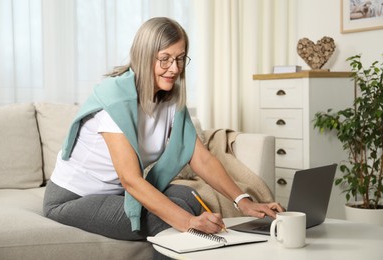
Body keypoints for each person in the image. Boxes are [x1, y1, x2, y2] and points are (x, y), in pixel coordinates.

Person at [43, 17, 283, 246]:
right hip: (72, 198)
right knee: (167, 218)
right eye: (164, 59)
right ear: (144, 57)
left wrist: (244, 202)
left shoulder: (170, 101)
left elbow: (200, 158)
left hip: (114, 194)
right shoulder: (115, 100)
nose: (174, 68)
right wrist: (188, 222)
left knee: (188, 198)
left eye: (180, 58)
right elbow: (131, 180)